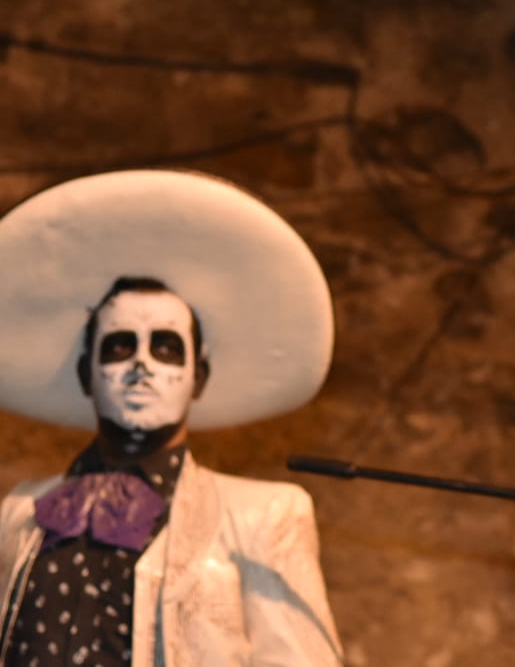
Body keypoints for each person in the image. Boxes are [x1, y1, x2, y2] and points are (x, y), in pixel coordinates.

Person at [0, 170, 343, 666]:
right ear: (86, 373)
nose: (142, 365)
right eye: (120, 346)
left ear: (197, 377)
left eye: (166, 348)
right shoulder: (20, 511)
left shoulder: (261, 516)